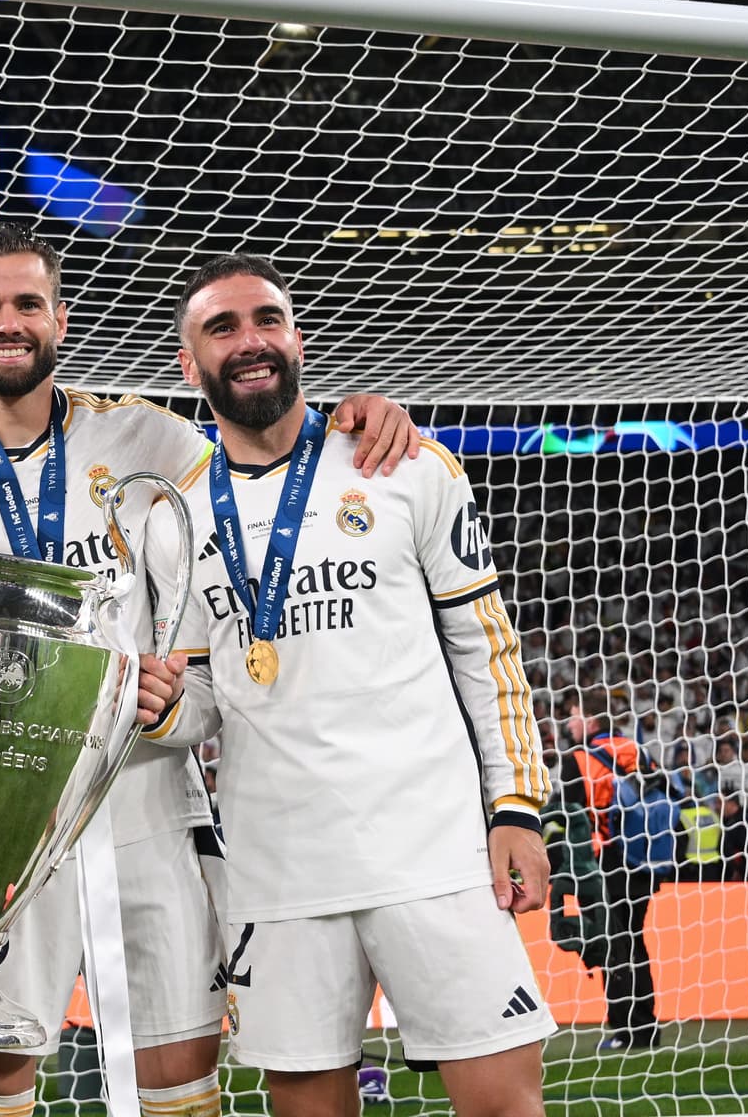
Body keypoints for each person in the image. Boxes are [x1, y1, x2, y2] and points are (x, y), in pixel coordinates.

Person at [0, 221, 419, 1117]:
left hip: (148, 815)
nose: (8, 321)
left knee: (180, 1085)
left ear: (61, 316)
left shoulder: (154, 442)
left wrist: (352, 419)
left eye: (28, 302)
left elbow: (265, 479)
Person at [147, 252, 552, 1117]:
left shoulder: (403, 465)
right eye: (222, 327)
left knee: (505, 1108)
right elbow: (213, 695)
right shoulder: (172, 518)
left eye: (267, 320)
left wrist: (516, 807)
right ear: (190, 365)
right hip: (279, 871)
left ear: (297, 338)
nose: (250, 341)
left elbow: (487, 647)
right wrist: (166, 708)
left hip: (431, 853)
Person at [560, 694, 661, 1049]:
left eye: (573, 716)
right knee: (635, 939)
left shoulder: (577, 760)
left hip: (604, 862)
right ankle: (647, 1025)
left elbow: (572, 817)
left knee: (612, 944)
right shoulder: (637, 749)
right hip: (644, 860)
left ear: (590, 720)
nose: (568, 724)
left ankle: (625, 1028)